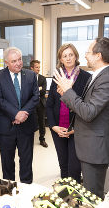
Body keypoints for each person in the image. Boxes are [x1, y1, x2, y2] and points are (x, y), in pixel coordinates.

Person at [53, 37, 109, 199]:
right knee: (87, 195)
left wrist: (68, 91)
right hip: (89, 146)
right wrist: (67, 93)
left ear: (98, 55)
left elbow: (89, 112)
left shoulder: (105, 78)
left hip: (95, 149)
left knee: (92, 197)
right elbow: (84, 106)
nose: (85, 56)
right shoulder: (97, 75)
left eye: (88, 52)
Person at [0, 47, 39, 184]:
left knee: (26, 161)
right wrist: (15, 114)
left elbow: (35, 97)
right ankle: (9, 188)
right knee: (7, 162)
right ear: (6, 62)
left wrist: (23, 114)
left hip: (27, 126)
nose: (18, 63)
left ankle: (26, 188)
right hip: (6, 127)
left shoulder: (30, 75)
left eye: (19, 59)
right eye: (14, 61)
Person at [47, 43, 90, 183]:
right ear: (60, 59)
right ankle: (64, 192)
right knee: (63, 163)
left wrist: (74, 129)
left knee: (75, 167)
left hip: (76, 129)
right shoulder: (57, 76)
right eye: (65, 56)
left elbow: (86, 105)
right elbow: (50, 104)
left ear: (76, 56)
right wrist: (53, 126)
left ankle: (75, 197)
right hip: (58, 128)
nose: (68, 58)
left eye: (71, 55)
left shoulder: (86, 77)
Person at [30, 60, 48, 148]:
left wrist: (36, 90)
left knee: (42, 122)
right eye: (37, 67)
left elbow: (43, 91)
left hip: (40, 103)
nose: (38, 69)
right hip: (31, 104)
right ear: (31, 68)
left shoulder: (42, 78)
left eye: (39, 67)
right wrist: (38, 88)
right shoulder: (28, 78)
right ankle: (29, 140)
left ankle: (42, 139)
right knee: (31, 122)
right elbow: (28, 92)